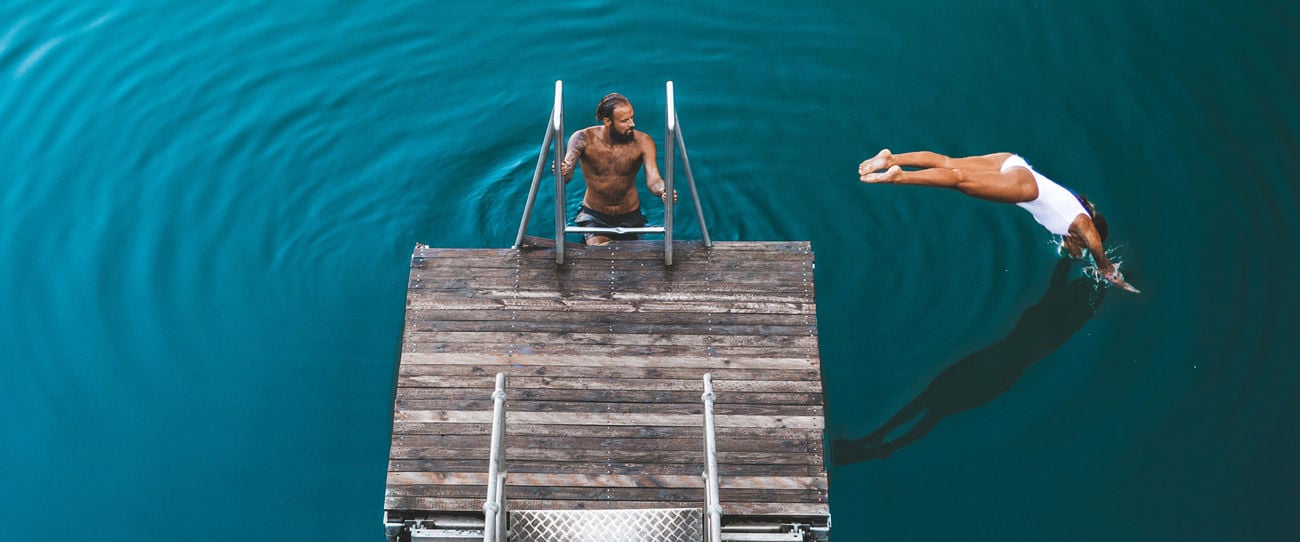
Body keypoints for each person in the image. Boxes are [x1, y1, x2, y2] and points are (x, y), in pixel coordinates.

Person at [859, 149, 1139, 293]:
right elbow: (1093, 244)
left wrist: (1074, 252)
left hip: (1012, 162)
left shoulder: (1079, 213)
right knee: (959, 180)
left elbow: (1073, 247)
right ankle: (899, 176)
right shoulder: (1083, 225)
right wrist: (1109, 271)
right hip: (1026, 187)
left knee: (948, 162)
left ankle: (890, 158)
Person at [561, 92, 676, 245]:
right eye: (625, 120)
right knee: (600, 252)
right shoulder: (583, 139)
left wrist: (664, 190)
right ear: (607, 121)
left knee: (631, 256)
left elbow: (654, 180)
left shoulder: (643, 141)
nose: (632, 124)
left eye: (632, 117)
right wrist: (563, 170)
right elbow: (567, 175)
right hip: (594, 215)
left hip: (630, 214)